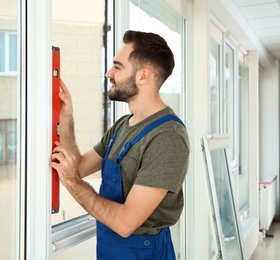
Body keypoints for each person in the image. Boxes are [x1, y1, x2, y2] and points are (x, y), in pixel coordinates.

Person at [51, 30, 189, 260]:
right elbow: (78, 166)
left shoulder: (168, 137)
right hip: (111, 248)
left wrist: (73, 183)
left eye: (117, 66)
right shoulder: (122, 126)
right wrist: (66, 117)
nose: (108, 73)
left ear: (143, 76)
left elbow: (126, 223)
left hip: (143, 253)